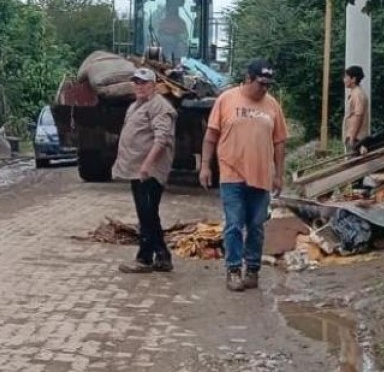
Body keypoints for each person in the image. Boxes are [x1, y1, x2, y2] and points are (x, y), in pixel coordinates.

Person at [199, 58, 288, 292]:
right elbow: (211, 136)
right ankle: (233, 269)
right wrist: (205, 166)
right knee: (234, 225)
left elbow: (279, 142)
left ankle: (253, 270)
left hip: (261, 176)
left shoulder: (272, 106)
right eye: (261, 83)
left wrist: (279, 174)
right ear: (248, 78)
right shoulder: (226, 100)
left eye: (268, 84)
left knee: (257, 226)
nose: (265, 88)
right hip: (231, 174)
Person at [112, 68, 177, 273]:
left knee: (147, 214)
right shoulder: (136, 106)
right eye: (136, 83)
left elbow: (162, 139)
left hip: (149, 172)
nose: (139, 86)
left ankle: (144, 259)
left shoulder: (159, 106)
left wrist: (147, 165)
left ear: (154, 85)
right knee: (147, 214)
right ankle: (163, 256)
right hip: (137, 170)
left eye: (144, 82)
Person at [342, 65, 370, 153]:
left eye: (346, 77)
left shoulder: (358, 94)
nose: (344, 80)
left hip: (356, 138)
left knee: (353, 163)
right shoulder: (354, 92)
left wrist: (352, 138)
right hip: (352, 136)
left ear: (353, 79)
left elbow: (358, 116)